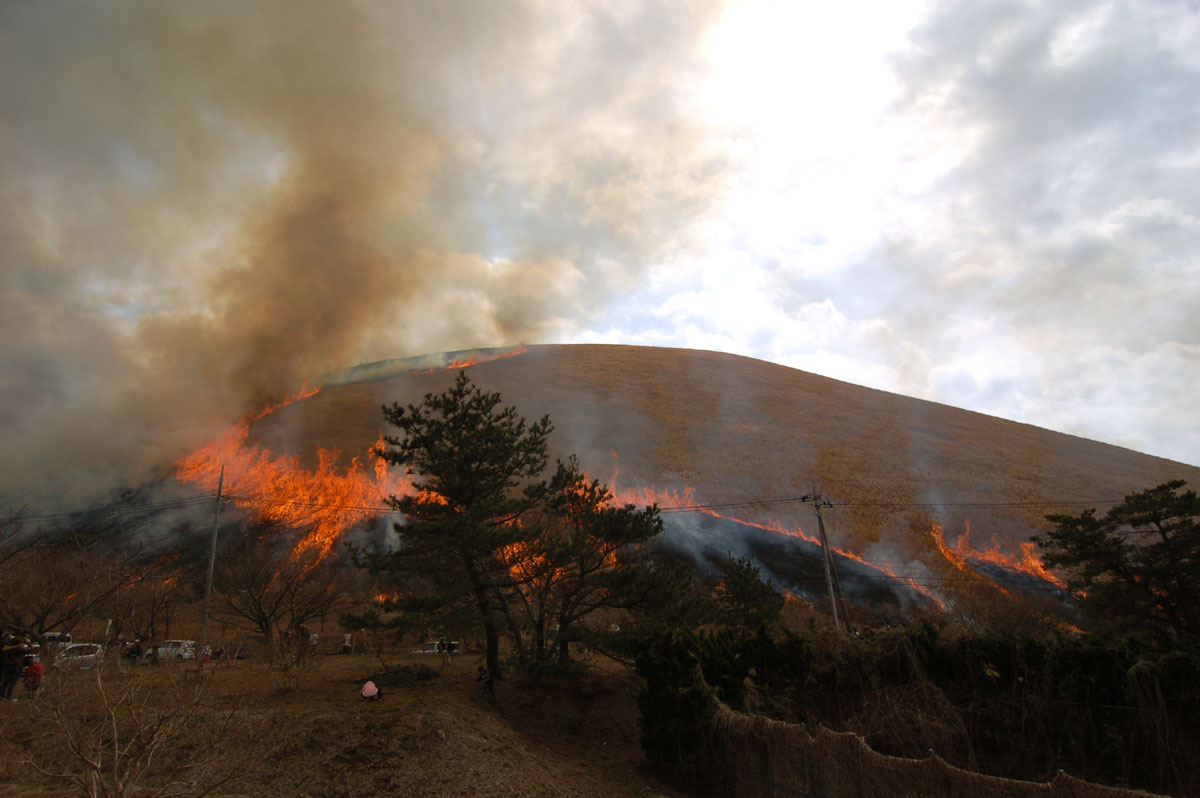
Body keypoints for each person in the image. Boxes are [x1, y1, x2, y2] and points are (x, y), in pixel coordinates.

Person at [1, 634, 30, 701]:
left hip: (7, 665)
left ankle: (1, 695)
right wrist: (28, 642)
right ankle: (9, 696)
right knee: (12, 682)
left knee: (5, 681)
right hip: (17, 666)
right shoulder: (20, 648)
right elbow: (30, 650)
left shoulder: (7, 648)